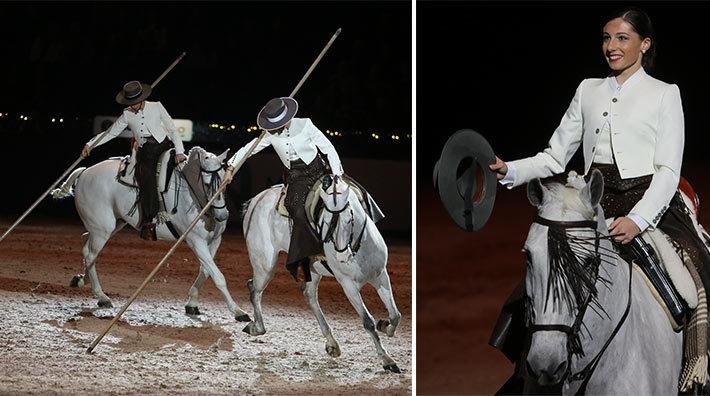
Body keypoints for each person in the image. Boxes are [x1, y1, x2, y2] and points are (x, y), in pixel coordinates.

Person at [487, 7, 710, 393]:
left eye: (622, 38)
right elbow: (555, 156)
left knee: (697, 273)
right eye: (607, 38)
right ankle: (526, 373)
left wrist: (638, 220)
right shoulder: (588, 89)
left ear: (645, 44)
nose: (612, 46)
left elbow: (668, 173)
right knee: (542, 275)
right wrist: (511, 170)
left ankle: (698, 374)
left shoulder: (664, 94)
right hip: (591, 203)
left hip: (651, 205)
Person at [224, 97, 344, 282]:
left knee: (341, 200)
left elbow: (328, 147)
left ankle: (347, 246)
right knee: (296, 208)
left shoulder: (306, 125)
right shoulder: (270, 133)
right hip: (296, 178)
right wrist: (231, 167)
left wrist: (337, 174)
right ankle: (312, 254)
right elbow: (250, 149)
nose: (276, 128)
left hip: (318, 171)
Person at [81, 80, 187, 240]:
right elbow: (111, 133)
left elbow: (172, 129)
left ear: (142, 98)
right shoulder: (126, 114)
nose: (134, 106)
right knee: (147, 178)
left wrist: (179, 151)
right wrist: (91, 144)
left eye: (136, 102)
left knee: (182, 171)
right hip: (145, 152)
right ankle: (149, 221)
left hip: (164, 146)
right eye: (131, 103)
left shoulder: (157, 106)